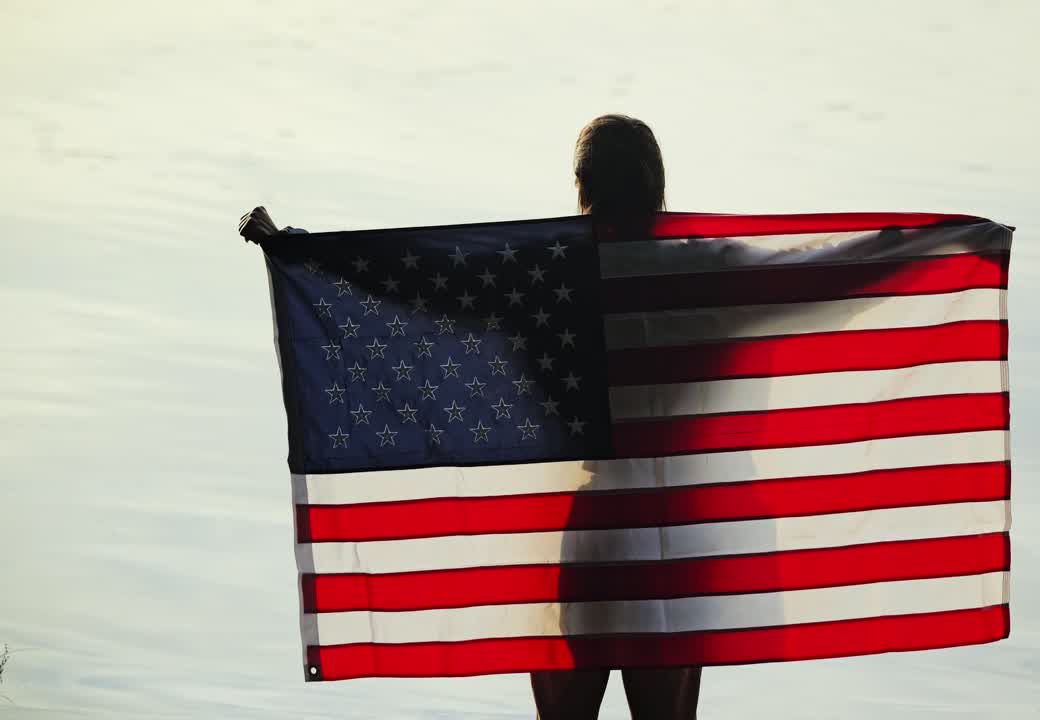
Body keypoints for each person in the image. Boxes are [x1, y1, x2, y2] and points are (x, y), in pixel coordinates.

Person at [238, 114, 701, 720]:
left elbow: (419, 278)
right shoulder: (703, 274)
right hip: (669, 535)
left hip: (593, 529)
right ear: (657, 185)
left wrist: (296, 248)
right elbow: (803, 276)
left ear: (582, 187)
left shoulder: (545, 274)